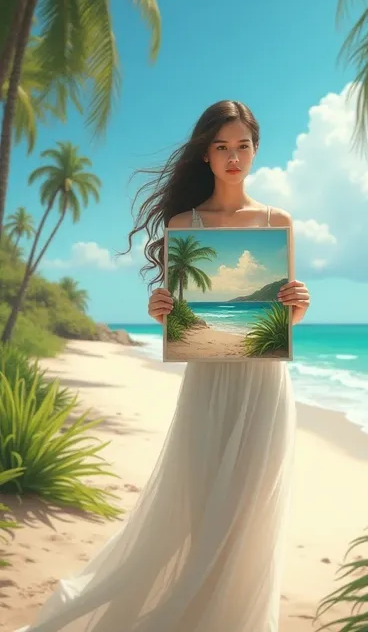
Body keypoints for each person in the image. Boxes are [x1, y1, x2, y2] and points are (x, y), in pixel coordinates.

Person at [15, 100, 310, 632]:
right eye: (221, 146)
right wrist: (161, 313)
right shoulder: (185, 224)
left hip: (264, 383)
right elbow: (186, 322)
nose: (233, 156)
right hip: (208, 381)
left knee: (252, 510)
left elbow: (284, 319)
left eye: (242, 145)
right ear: (205, 154)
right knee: (202, 502)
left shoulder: (276, 222)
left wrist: (300, 303)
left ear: (256, 150)